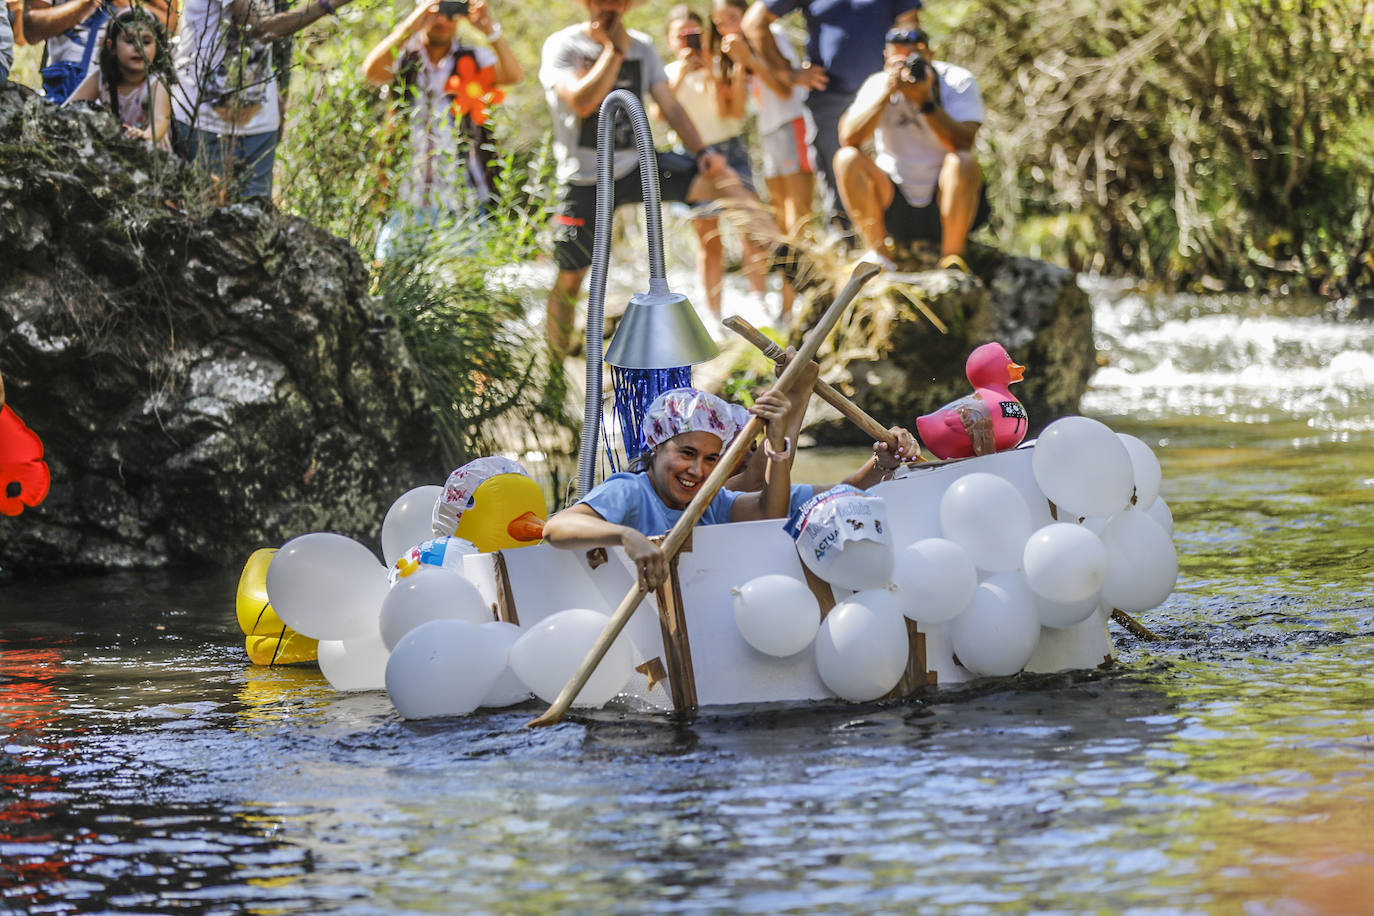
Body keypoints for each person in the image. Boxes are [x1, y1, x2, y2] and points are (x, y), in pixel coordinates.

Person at [539, 0, 787, 357]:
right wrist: (614, 51)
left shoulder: (642, 46)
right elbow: (581, 101)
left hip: (636, 166)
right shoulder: (564, 46)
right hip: (585, 179)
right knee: (571, 275)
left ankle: (789, 258)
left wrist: (703, 153)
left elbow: (669, 106)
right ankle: (556, 362)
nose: (609, 8)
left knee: (723, 180)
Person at [544, 385, 798, 590]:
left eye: (710, 458)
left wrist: (777, 446)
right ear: (656, 445)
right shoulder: (631, 490)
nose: (698, 471)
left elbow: (769, 514)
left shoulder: (709, 501)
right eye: (687, 453)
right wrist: (627, 536)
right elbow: (556, 527)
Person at [742, 0, 920, 241]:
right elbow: (754, 22)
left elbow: (909, 24)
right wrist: (787, 73)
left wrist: (906, 69)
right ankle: (848, 251)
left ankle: (905, 242)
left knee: (902, 169)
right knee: (839, 182)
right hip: (830, 98)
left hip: (890, 95)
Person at [362, 0, 521, 259]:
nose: (443, 21)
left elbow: (513, 75)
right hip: (407, 197)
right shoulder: (404, 55)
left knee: (467, 285)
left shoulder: (472, 58)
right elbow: (371, 72)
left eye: (451, 11)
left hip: (462, 200)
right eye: (437, 10)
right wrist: (409, 26)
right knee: (389, 277)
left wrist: (489, 29)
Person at [833, 28, 988, 272]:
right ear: (886, 58)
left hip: (944, 201)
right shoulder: (876, 84)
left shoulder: (957, 80)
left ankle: (952, 259)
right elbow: (849, 138)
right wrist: (886, 92)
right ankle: (880, 257)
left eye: (915, 59)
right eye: (900, 60)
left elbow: (963, 142)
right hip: (895, 201)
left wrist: (924, 101)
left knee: (964, 161)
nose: (907, 69)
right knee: (846, 158)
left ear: (932, 56)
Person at [170, 0, 356, 202]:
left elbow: (262, 40)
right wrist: (326, 3)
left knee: (253, 223)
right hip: (201, 120)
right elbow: (262, 27)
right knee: (202, 216)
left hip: (258, 123)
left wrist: (274, 98)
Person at [658, 4, 768, 324]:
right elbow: (658, 116)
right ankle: (714, 315)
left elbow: (731, 113)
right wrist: (680, 73)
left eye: (694, 35)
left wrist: (712, 71)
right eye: (681, 37)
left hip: (730, 150)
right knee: (709, 241)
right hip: (691, 156)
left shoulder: (719, 66)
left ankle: (760, 302)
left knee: (750, 229)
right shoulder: (664, 75)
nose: (687, 42)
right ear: (669, 41)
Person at [714, 0, 816, 319]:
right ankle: (787, 305)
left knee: (799, 217)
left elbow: (786, 89)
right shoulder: (738, 51)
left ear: (747, 14)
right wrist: (740, 63)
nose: (727, 27)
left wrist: (750, 59)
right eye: (719, 23)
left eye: (732, 18)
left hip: (792, 123)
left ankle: (803, 299)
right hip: (768, 130)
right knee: (781, 222)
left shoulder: (771, 33)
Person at [23, 0, 176, 103]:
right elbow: (32, 28)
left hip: (130, 91)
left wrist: (130, 4)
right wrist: (87, 4)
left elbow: (170, 24)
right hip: (67, 85)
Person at [63, 8, 172, 150]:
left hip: (151, 155)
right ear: (111, 46)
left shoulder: (157, 83)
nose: (138, 48)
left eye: (146, 42)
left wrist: (145, 135)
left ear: (157, 48)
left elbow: (160, 120)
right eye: (130, 41)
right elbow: (69, 107)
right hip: (114, 151)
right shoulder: (102, 79)